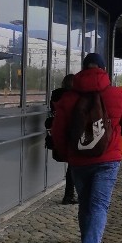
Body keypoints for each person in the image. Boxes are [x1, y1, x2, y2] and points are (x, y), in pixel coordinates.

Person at [51, 53, 122, 243]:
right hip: (107, 160)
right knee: (98, 205)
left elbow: (59, 132)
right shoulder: (116, 95)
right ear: (103, 70)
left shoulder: (68, 98)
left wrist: (65, 154)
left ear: (82, 70)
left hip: (79, 162)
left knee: (85, 204)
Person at [49, 74, 78, 204]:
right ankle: (69, 195)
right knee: (73, 166)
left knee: (72, 166)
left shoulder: (55, 96)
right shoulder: (72, 98)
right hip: (72, 134)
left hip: (59, 133)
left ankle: (70, 194)